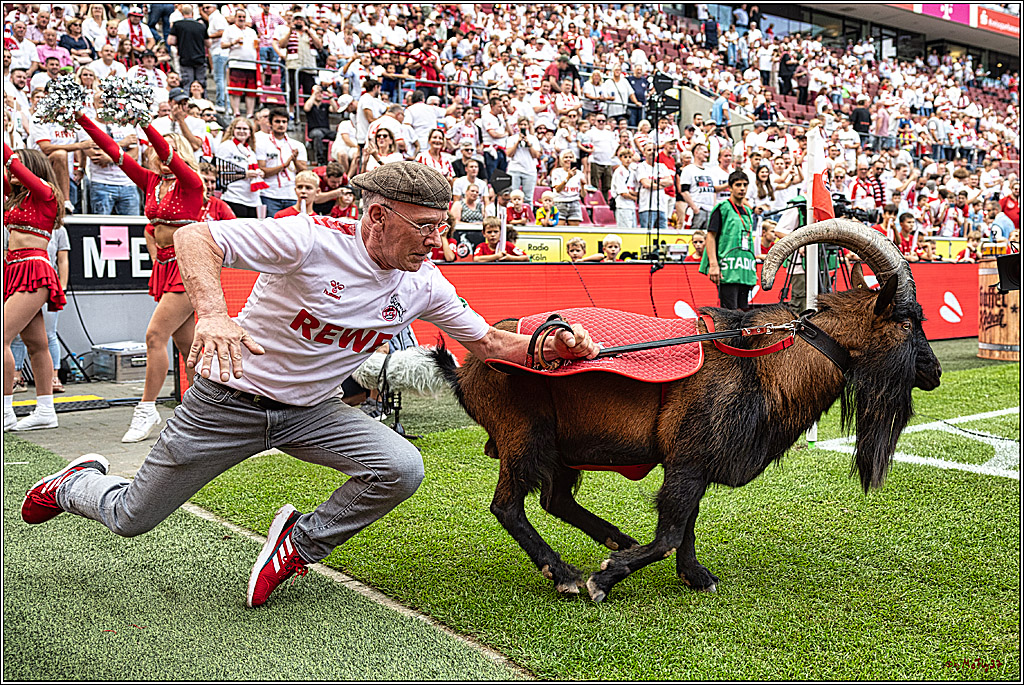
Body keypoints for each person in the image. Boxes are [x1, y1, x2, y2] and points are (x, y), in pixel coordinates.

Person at [18, 162, 597, 608]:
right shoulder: (311, 238)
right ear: (377, 217)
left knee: (401, 467)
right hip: (228, 402)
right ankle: (76, 482)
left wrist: (552, 343)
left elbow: (493, 345)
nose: (436, 242)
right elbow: (195, 237)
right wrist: (215, 313)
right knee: (130, 517)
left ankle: (298, 543)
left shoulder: (426, 282)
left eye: (442, 227)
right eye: (424, 227)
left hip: (311, 411)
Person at [75, 110, 204, 443]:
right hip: (164, 266)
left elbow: (169, 156)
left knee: (153, 336)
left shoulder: (192, 183)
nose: (160, 160)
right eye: (156, 155)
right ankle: (210, 411)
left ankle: (146, 410)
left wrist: (145, 122)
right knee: (188, 346)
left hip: (188, 266)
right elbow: (116, 154)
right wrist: (83, 120)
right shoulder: (151, 182)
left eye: (166, 154)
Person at [3, 146, 67, 431]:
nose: (9, 172)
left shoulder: (45, 193)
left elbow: (13, 165)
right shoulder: (18, 196)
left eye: (14, 166)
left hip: (33, 269)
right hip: (14, 270)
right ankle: (45, 410)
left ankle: (5, 410)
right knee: (37, 345)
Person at [699, 170, 756, 310]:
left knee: (743, 312)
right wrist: (713, 264)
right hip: (728, 268)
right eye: (738, 185)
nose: (742, 188)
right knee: (729, 313)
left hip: (744, 269)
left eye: (744, 185)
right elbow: (711, 236)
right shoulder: (722, 208)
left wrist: (753, 270)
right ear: (730, 187)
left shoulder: (748, 212)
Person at [257, 108, 308, 217]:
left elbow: (304, 173)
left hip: (292, 195)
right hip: (269, 195)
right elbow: (262, 171)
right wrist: (285, 165)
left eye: (284, 122)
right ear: (270, 123)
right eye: (277, 121)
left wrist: (294, 160)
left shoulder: (298, 145)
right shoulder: (261, 143)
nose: (281, 124)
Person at [215, 117, 266, 218]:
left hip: (253, 199)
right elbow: (219, 171)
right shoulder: (227, 146)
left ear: (250, 132)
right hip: (234, 196)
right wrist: (244, 174)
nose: (241, 131)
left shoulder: (250, 150)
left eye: (245, 129)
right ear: (232, 130)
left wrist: (259, 173)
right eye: (238, 128)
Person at [551, 150, 586, 226]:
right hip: (560, 202)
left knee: (574, 232)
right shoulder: (556, 172)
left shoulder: (579, 173)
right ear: (561, 159)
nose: (568, 159)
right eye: (565, 157)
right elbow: (557, 189)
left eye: (571, 157)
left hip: (574, 203)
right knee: (559, 231)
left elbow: (583, 195)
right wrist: (568, 177)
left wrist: (583, 186)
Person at [610, 146, 638, 228]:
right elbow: (623, 193)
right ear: (620, 158)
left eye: (630, 157)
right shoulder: (619, 171)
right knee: (625, 229)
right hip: (622, 205)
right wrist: (634, 198)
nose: (628, 159)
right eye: (625, 157)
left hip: (631, 205)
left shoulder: (632, 171)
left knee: (633, 229)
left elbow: (634, 190)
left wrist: (631, 193)